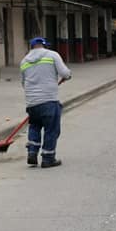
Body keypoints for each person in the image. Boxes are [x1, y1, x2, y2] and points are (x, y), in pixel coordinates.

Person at [20, 37, 71, 168]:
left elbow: (23, 83)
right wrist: (67, 76)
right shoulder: (52, 55)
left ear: (32, 47)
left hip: (32, 103)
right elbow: (65, 73)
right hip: (49, 101)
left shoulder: (24, 61)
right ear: (44, 45)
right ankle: (48, 159)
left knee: (34, 126)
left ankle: (32, 152)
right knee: (51, 129)